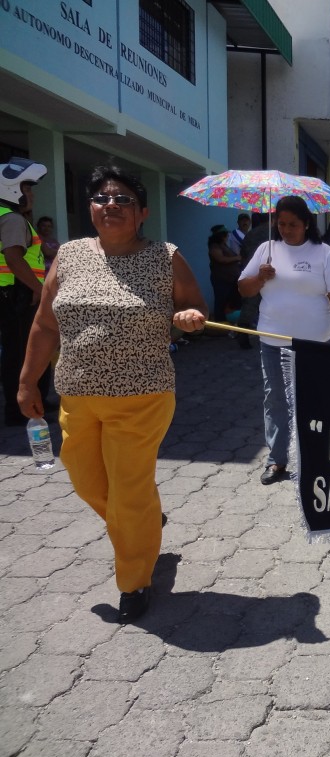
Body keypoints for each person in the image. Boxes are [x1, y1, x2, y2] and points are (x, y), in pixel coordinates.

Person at [17, 165, 208, 623]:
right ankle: (145, 523)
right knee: (86, 480)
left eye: (123, 200)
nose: (111, 206)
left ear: (142, 213)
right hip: (77, 395)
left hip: (142, 396)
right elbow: (46, 323)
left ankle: (134, 580)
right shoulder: (69, 256)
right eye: (102, 198)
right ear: (90, 209)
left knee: (126, 492)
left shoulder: (165, 256)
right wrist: (26, 381)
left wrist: (188, 318)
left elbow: (197, 306)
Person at [238, 195, 330, 486]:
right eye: (282, 223)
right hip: (272, 338)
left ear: (306, 224)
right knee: (275, 397)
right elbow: (244, 289)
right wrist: (260, 277)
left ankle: (318, 457)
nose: (286, 229)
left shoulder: (323, 252)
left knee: (316, 397)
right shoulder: (266, 249)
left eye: (293, 224)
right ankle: (277, 460)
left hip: (315, 340)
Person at [0, 157, 49, 427]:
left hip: (13, 293)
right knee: (20, 354)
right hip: (16, 295)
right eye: (27, 188)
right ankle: (17, 410)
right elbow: (14, 259)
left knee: (19, 351)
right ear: (12, 190)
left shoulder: (11, 218)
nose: (30, 194)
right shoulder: (12, 220)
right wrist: (39, 289)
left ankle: (32, 400)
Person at [236, 211, 270, 348]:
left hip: (250, 271)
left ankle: (243, 332)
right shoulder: (273, 233)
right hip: (269, 272)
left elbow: (243, 253)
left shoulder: (250, 234)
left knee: (250, 304)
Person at [208, 224, 242, 321]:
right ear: (221, 236)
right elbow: (221, 259)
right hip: (221, 279)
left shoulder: (224, 245)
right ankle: (220, 322)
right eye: (226, 235)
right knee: (221, 301)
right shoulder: (214, 246)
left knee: (228, 301)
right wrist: (237, 258)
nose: (227, 237)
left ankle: (225, 322)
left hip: (230, 279)